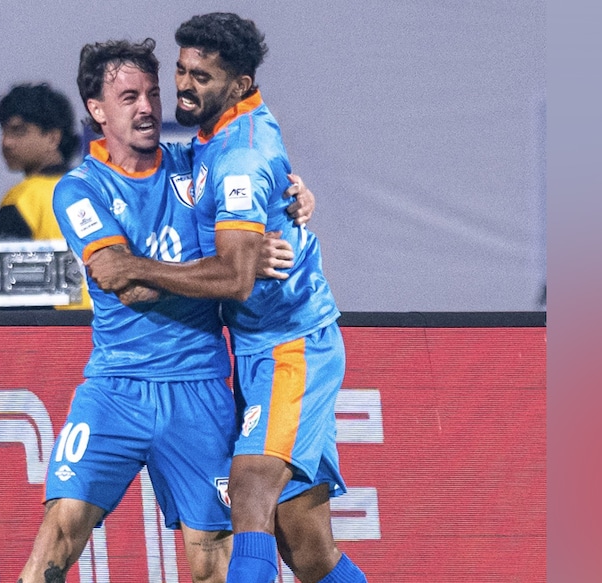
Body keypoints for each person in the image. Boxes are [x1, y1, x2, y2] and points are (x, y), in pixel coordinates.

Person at [16, 38, 314, 583]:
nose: (148, 108)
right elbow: (126, 287)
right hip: (116, 387)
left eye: (152, 93)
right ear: (97, 109)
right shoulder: (79, 189)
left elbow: (256, 192)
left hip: (199, 387)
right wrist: (230, 266)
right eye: (129, 97)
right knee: (59, 534)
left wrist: (293, 199)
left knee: (213, 562)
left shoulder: (198, 165)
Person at [85, 13, 367, 583]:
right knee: (307, 550)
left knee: (250, 487)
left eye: (202, 76)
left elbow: (235, 279)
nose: (184, 86)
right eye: (182, 70)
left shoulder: (240, 155)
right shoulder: (219, 134)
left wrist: (136, 266)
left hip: (291, 345)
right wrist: (295, 197)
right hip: (262, 347)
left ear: (239, 84)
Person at [0, 82, 92, 309]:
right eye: (4, 131)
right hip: (106, 323)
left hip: (54, 325)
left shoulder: (23, 198)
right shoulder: (94, 188)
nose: (6, 142)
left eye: (19, 131)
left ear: (53, 137)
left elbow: (2, 291)